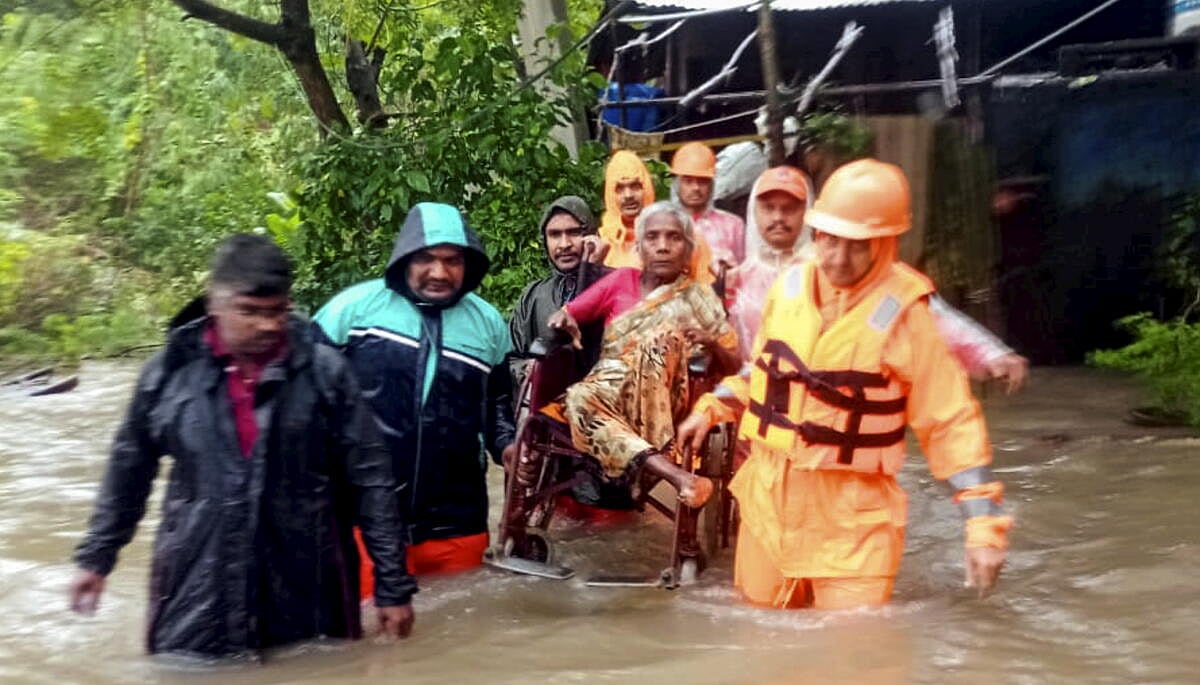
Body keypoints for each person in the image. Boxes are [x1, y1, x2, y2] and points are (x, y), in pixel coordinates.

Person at [678, 160, 1013, 610]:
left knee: (853, 645)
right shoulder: (789, 287)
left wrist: (983, 525)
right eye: (830, 239)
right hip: (769, 504)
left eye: (857, 246)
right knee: (761, 636)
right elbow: (765, 371)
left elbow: (950, 422)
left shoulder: (908, 316)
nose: (837, 258)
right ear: (816, 231)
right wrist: (712, 406)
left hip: (853, 524)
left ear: (886, 243)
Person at [69, 234, 415, 657]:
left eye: (277, 311)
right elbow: (129, 469)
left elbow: (371, 478)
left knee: (319, 669)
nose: (267, 325)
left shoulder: (326, 374)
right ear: (214, 303)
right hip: (197, 586)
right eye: (249, 311)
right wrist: (96, 558)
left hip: (311, 585)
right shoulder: (169, 374)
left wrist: (392, 586)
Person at [314, 203, 514, 584]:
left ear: (468, 264)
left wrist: (507, 443)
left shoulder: (488, 324)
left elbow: (496, 403)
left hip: (458, 518)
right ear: (405, 257)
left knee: (466, 612)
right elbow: (305, 403)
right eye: (426, 258)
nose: (439, 272)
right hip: (366, 514)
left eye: (452, 260)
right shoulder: (351, 312)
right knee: (373, 617)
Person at [728, 165, 1029, 390]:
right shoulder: (738, 277)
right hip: (757, 404)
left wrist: (986, 352)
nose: (778, 218)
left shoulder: (836, 266)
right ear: (754, 213)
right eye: (768, 208)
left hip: (825, 401)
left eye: (790, 208)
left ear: (808, 212)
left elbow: (925, 314)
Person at [549, 202, 740, 508]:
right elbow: (569, 312)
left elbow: (735, 367)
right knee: (577, 399)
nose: (662, 246)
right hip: (607, 392)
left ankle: (647, 463)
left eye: (673, 237)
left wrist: (713, 345)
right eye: (652, 237)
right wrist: (563, 318)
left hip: (665, 399)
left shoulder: (700, 297)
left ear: (688, 248)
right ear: (638, 246)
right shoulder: (620, 280)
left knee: (658, 341)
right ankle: (675, 475)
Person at [597, 149, 716, 284]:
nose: (628, 195)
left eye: (635, 186)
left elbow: (706, 289)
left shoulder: (686, 235)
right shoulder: (601, 244)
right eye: (619, 188)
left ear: (647, 188)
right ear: (610, 195)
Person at [670, 141, 747, 270]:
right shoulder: (662, 224)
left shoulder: (733, 225)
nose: (696, 188)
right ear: (677, 184)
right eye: (688, 181)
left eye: (702, 181)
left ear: (711, 185)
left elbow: (742, 272)